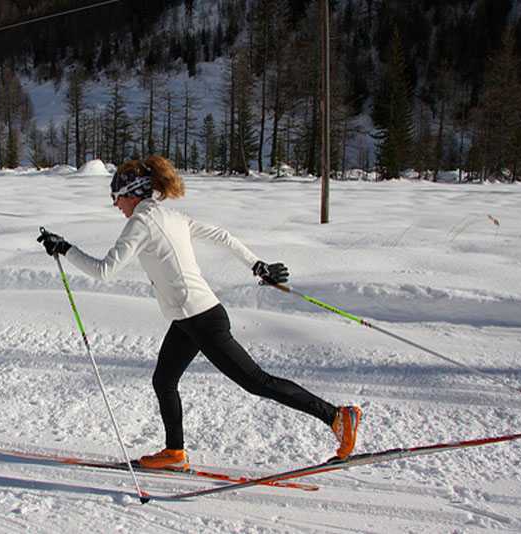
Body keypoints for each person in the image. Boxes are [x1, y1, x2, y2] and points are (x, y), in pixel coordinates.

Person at [37, 155, 361, 470]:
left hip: (201, 319)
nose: (115, 205)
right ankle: (174, 453)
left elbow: (104, 270)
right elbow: (222, 235)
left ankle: (335, 416)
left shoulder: (142, 222)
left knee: (257, 381)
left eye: (116, 197)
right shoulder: (171, 218)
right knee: (164, 380)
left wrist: (65, 248)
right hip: (188, 319)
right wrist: (256, 264)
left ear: (132, 194)